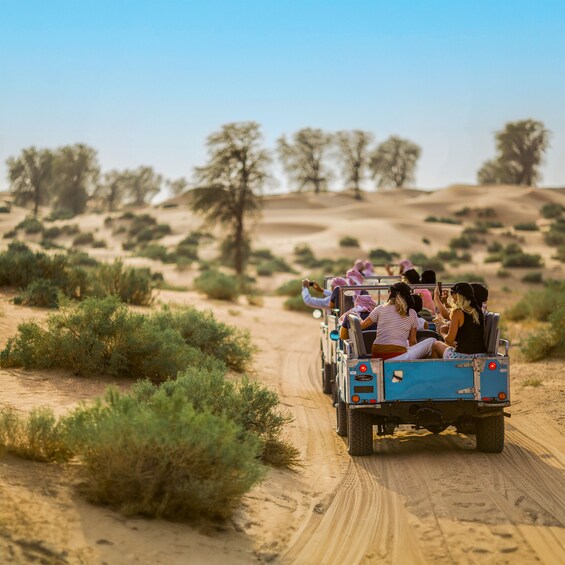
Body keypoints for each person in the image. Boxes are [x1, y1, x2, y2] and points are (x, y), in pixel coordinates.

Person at [360, 282, 435, 360]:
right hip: (398, 356)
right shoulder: (411, 313)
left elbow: (361, 326)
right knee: (432, 341)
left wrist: (357, 317)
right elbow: (412, 342)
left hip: (377, 355)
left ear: (391, 294)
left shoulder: (380, 309)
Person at [431, 282, 487, 359]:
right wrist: (444, 302)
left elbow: (449, 340)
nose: (451, 296)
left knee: (436, 344)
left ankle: (437, 370)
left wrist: (443, 332)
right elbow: (449, 315)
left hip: (462, 356)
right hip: (481, 356)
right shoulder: (477, 311)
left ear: (458, 295)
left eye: (452, 293)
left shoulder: (457, 312)